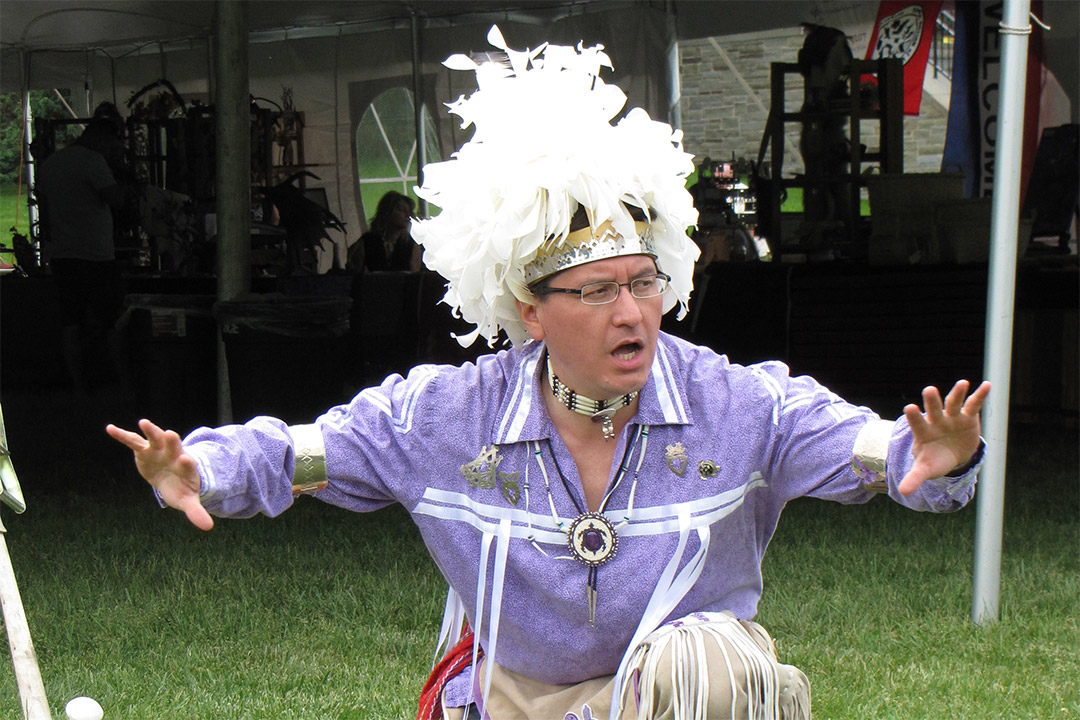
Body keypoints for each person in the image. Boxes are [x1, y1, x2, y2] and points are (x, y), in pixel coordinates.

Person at [108, 28, 990, 720]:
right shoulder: (448, 416)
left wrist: (924, 461)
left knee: (709, 668)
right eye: (599, 290)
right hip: (510, 702)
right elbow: (315, 449)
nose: (633, 311)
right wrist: (207, 469)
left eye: (645, 283)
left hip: (682, 702)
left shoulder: (734, 401)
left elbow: (863, 445)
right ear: (530, 311)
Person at [36, 114, 131, 397]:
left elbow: (46, 215)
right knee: (113, 319)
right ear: (101, 138)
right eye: (111, 145)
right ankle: (123, 381)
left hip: (65, 255)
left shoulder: (51, 165)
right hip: (96, 256)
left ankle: (79, 385)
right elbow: (116, 200)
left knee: (71, 321)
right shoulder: (92, 161)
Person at [347, 190, 422, 272]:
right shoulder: (367, 242)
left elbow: (415, 277)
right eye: (401, 210)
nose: (407, 215)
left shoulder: (411, 245)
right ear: (387, 212)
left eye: (409, 211)